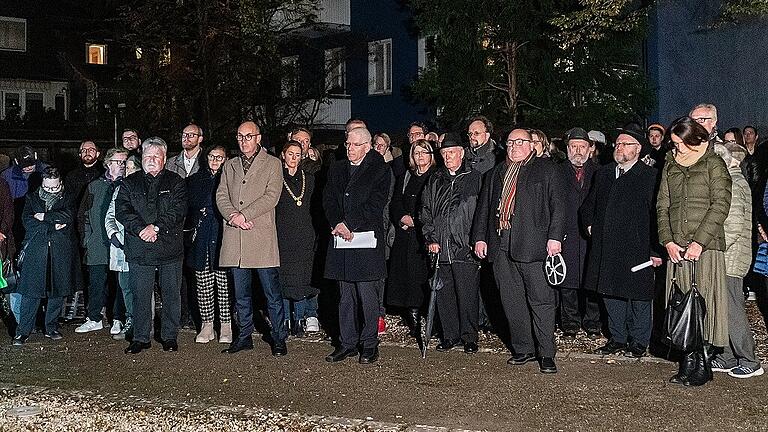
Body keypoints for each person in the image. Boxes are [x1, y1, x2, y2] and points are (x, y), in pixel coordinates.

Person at [472, 128, 565, 373]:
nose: (514, 146)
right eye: (510, 142)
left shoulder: (546, 169)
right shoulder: (496, 173)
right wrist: (480, 238)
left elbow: (559, 206)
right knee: (511, 301)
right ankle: (523, 348)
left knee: (541, 301)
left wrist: (555, 237)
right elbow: (484, 208)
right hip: (501, 243)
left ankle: (546, 353)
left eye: (520, 142)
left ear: (531, 145)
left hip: (533, 244)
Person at [657, 116, 731, 386]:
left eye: (681, 144)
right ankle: (687, 358)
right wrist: (667, 241)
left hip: (706, 247)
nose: (677, 149)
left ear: (697, 139)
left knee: (704, 304)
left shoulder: (714, 164)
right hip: (677, 247)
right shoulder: (669, 165)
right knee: (681, 304)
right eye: (674, 144)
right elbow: (662, 206)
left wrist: (699, 241)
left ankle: (703, 361)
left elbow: (721, 205)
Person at [582, 126, 660, 358]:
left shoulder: (649, 176)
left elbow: (657, 216)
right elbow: (589, 205)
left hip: (636, 246)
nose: (619, 147)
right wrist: (589, 224)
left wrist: (655, 250)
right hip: (607, 246)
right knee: (610, 293)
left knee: (638, 296)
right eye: (617, 144)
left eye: (625, 144)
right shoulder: (604, 173)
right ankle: (617, 338)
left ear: (638, 149)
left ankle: (639, 341)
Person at [217, 121, 287, 356]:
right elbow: (221, 195)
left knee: (272, 294)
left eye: (248, 136)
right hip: (236, 237)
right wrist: (233, 217)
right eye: (240, 136)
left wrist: (244, 214)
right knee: (241, 294)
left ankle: (278, 337)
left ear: (258, 138)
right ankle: (244, 335)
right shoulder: (230, 165)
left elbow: (272, 196)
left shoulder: (273, 164)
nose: (243, 141)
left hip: (260, 236)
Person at [323, 127, 391, 364]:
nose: (349, 148)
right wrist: (337, 223)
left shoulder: (380, 170)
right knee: (345, 296)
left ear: (367, 146)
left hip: (365, 240)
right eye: (347, 144)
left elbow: (376, 203)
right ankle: (347, 343)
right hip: (341, 239)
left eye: (354, 145)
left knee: (367, 295)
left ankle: (370, 344)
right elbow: (328, 198)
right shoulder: (337, 168)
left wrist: (349, 224)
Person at [117, 137, 187, 354]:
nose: (152, 160)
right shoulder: (129, 183)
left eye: (157, 156)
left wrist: (155, 228)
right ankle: (140, 337)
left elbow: (178, 211)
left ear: (164, 159)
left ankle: (169, 336)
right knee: (140, 294)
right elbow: (122, 210)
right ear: (142, 157)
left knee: (171, 294)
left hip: (169, 247)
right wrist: (141, 229)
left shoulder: (176, 182)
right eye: (148, 156)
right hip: (140, 247)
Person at [421, 132, 482, 354]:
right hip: (440, 247)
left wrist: (476, 240)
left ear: (461, 153)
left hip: (464, 247)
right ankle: (450, 335)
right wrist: (431, 238)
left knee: (466, 294)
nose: (448, 157)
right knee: (444, 294)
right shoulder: (435, 179)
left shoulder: (475, 178)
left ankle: (469, 336)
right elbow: (425, 211)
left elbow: (480, 213)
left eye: (452, 153)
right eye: (444, 153)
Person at [710, 143, 763, 378]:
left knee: (732, 308)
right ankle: (728, 355)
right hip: (728, 255)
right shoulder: (732, 182)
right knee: (723, 307)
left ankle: (749, 359)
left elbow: (732, 226)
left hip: (730, 257)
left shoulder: (733, 184)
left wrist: (716, 249)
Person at [12, 167, 79, 345]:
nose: (50, 190)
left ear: (60, 184)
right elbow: (28, 222)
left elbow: (68, 216)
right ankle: (23, 331)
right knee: (31, 293)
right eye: (47, 187)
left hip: (60, 251)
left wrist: (44, 216)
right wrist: (52, 225)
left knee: (57, 292)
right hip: (36, 252)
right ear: (42, 183)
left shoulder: (68, 197)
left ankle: (51, 327)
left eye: (54, 188)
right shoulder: (31, 197)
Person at [75, 148, 129, 335]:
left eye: (124, 162)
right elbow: (83, 215)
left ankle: (118, 319)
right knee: (96, 283)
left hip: (119, 244)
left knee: (119, 284)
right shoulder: (94, 185)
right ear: (107, 163)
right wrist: (86, 239)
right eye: (118, 162)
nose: (121, 165)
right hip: (97, 242)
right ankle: (94, 318)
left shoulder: (128, 185)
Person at [387, 139, 436, 338]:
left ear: (431, 156)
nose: (420, 157)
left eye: (424, 153)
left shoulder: (435, 177)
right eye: (416, 153)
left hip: (424, 234)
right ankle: (412, 315)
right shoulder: (406, 177)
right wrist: (402, 217)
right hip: (405, 235)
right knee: (406, 275)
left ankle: (427, 315)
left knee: (422, 274)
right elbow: (395, 202)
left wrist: (418, 220)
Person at [557, 128, 602, 340]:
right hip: (565, 233)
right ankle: (570, 322)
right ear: (567, 149)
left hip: (590, 234)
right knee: (567, 281)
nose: (577, 150)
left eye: (582, 146)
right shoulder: (556, 172)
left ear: (590, 149)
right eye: (573, 146)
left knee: (591, 278)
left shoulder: (600, 172)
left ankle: (592, 321)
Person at [186, 145, 232, 344]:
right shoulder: (195, 180)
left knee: (224, 284)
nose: (215, 160)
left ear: (226, 159)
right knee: (203, 282)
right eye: (212, 156)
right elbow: (194, 204)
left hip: (223, 236)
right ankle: (207, 324)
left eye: (219, 157)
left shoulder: (231, 179)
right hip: (202, 237)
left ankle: (226, 324)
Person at [276, 141, 319, 337]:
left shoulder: (309, 178)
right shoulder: (276, 178)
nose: (294, 158)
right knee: (284, 279)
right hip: (282, 234)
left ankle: (300, 319)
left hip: (304, 234)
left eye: (298, 154)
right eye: (290, 154)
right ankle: (284, 319)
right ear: (283, 155)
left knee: (302, 278)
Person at [105, 155, 141, 341]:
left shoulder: (146, 189)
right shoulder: (119, 189)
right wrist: (113, 234)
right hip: (121, 245)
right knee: (125, 286)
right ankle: (130, 320)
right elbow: (110, 215)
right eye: (126, 169)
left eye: (132, 168)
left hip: (141, 246)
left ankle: (143, 323)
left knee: (141, 288)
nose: (128, 172)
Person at [66, 140, 105, 206]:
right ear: (80, 154)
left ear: (98, 154)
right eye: (84, 150)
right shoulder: (71, 175)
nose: (87, 153)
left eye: (91, 150)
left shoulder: (105, 173)